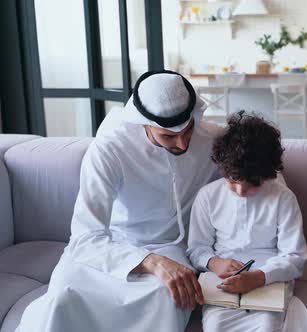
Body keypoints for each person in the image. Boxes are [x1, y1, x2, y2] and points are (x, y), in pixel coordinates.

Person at [17, 70, 223, 332]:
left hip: (170, 248)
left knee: (168, 297)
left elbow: (258, 160)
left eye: (188, 130)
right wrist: (151, 262)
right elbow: (85, 238)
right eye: (168, 136)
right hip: (109, 248)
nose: (182, 143)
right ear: (143, 123)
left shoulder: (211, 138)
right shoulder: (109, 149)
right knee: (63, 300)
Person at [187, 111, 307, 332]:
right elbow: (197, 248)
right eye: (233, 180)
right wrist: (214, 262)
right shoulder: (207, 196)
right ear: (222, 169)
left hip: (270, 280)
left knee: (266, 327)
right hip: (221, 284)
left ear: (268, 174)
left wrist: (258, 278)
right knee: (215, 327)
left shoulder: (283, 198)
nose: (241, 191)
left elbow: (294, 256)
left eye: (252, 183)